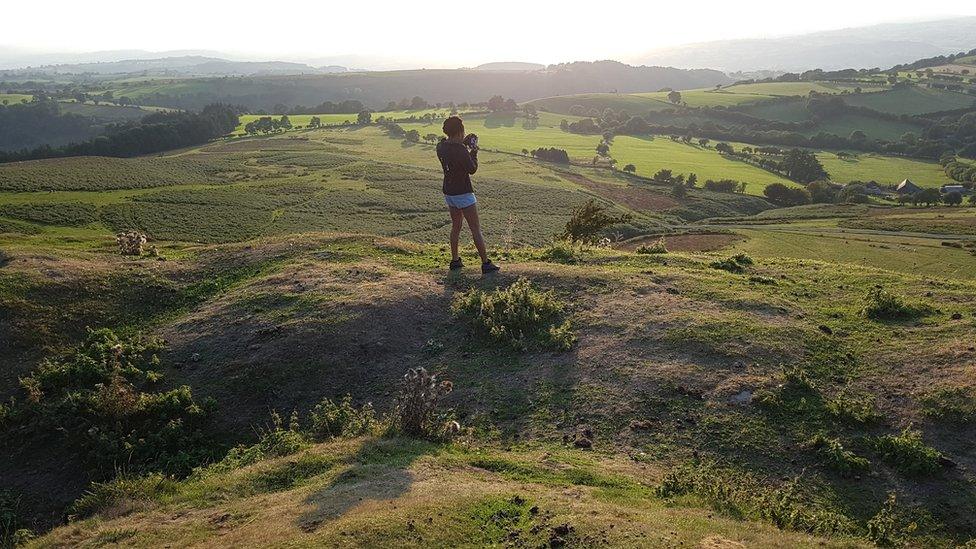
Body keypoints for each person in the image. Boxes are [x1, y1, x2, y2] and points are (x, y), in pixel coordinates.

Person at [436, 115, 499, 273]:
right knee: (475, 229)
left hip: (449, 193)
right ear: (459, 131)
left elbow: (452, 152)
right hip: (463, 193)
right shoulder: (462, 150)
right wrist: (474, 152)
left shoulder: (440, 146)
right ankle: (486, 263)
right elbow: (472, 169)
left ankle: (455, 261)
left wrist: (464, 146)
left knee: (456, 227)